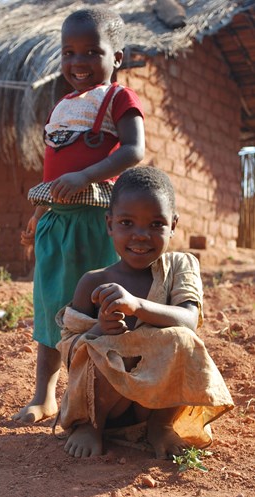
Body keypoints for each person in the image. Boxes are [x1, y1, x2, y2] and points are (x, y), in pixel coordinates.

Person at [13, 7, 145, 424]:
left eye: (91, 52)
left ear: (117, 57)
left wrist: (86, 174)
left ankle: (95, 394)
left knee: (94, 308)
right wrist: (39, 215)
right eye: (68, 53)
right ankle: (44, 394)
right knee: (52, 307)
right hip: (57, 223)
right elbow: (53, 174)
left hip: (98, 222)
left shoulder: (118, 98)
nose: (78, 63)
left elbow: (133, 150)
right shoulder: (61, 107)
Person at [56, 166, 234, 459]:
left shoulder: (179, 267)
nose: (141, 236)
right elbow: (69, 350)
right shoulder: (93, 282)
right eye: (127, 222)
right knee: (104, 348)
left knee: (182, 340)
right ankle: (91, 426)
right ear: (109, 224)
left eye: (155, 225)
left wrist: (137, 306)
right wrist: (101, 330)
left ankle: (160, 426)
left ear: (173, 225)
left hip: (154, 402)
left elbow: (189, 321)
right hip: (105, 404)